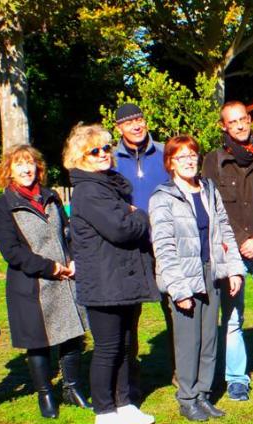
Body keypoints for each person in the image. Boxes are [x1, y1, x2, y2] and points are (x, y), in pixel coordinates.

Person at [64, 124, 160, 424]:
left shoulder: (110, 186)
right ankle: (104, 410)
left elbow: (122, 224)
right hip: (103, 280)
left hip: (122, 277)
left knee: (126, 344)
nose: (103, 154)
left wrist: (132, 214)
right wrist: (141, 216)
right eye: (94, 151)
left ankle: (124, 402)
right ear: (81, 157)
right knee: (108, 348)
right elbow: (120, 229)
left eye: (106, 148)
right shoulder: (89, 191)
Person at [0, 145, 90, 419]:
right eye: (19, 164)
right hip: (32, 283)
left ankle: (72, 388)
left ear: (38, 168)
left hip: (66, 278)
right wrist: (49, 267)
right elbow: (12, 251)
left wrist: (73, 258)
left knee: (72, 334)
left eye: (30, 163)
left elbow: (68, 232)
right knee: (38, 341)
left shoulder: (51, 197)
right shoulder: (2, 206)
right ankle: (45, 394)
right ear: (9, 170)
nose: (26, 169)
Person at [150, 136, 244, 422]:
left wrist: (233, 268)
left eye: (192, 155)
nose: (189, 161)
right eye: (181, 157)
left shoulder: (208, 190)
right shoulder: (162, 198)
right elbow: (163, 248)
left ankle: (203, 394)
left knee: (209, 339)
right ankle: (187, 398)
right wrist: (179, 291)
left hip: (210, 272)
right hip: (183, 276)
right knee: (188, 342)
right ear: (170, 163)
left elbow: (225, 230)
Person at [202, 101, 253, 400]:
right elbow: (212, 209)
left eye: (242, 119)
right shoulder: (213, 161)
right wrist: (238, 243)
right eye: (232, 122)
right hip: (230, 253)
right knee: (233, 318)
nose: (239, 125)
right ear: (223, 126)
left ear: (249, 120)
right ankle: (236, 378)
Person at [112, 103, 175, 400]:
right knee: (130, 316)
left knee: (176, 309)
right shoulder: (110, 159)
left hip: (166, 244)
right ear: (119, 128)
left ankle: (182, 372)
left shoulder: (165, 153)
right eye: (129, 122)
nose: (136, 126)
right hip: (130, 247)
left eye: (139, 119)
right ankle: (130, 379)